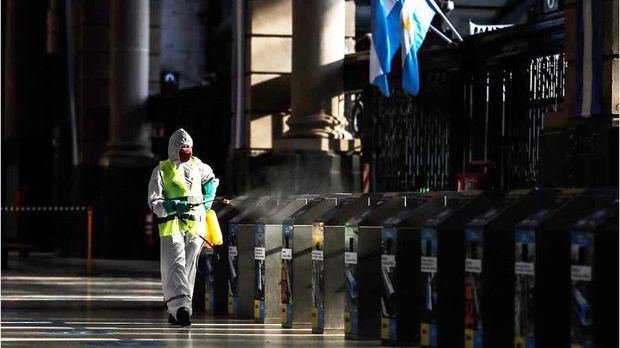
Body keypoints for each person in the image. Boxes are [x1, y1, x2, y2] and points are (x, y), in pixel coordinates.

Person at [148, 128, 219, 327]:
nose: (186, 150)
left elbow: (211, 180)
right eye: (183, 146)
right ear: (174, 148)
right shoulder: (161, 170)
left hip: (196, 225)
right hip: (173, 225)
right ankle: (179, 307)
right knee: (175, 265)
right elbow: (154, 201)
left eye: (189, 146)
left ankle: (180, 309)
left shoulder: (198, 166)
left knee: (189, 267)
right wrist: (170, 206)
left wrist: (208, 199)